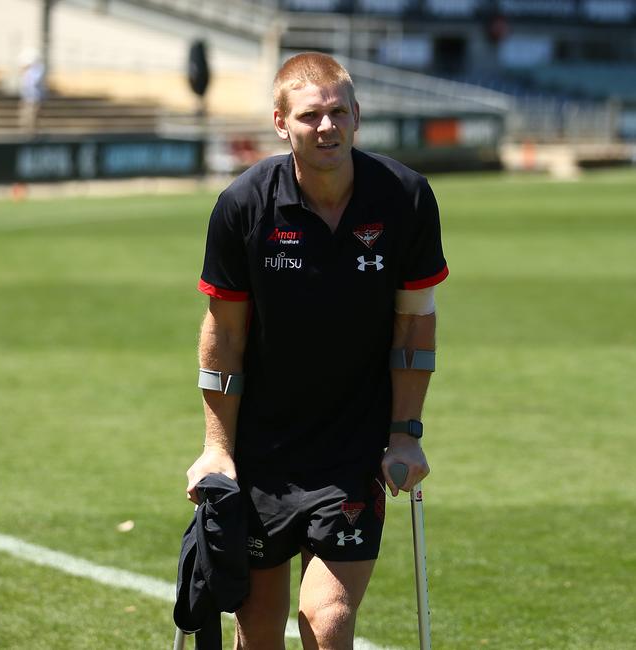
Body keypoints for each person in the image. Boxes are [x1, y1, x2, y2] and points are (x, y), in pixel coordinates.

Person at [186, 52, 448, 650]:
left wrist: (405, 432)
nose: (326, 126)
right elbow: (223, 337)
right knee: (256, 629)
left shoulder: (405, 198)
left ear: (357, 115)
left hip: (353, 444)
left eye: (338, 112)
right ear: (282, 124)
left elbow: (415, 328)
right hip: (261, 447)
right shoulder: (243, 205)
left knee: (327, 618)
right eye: (310, 116)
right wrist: (216, 449)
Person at [18, 48, 46, 133]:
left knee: (34, 114)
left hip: (35, 96)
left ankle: (33, 131)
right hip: (28, 96)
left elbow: (34, 82)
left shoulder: (38, 68)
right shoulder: (28, 71)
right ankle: (26, 130)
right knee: (26, 113)